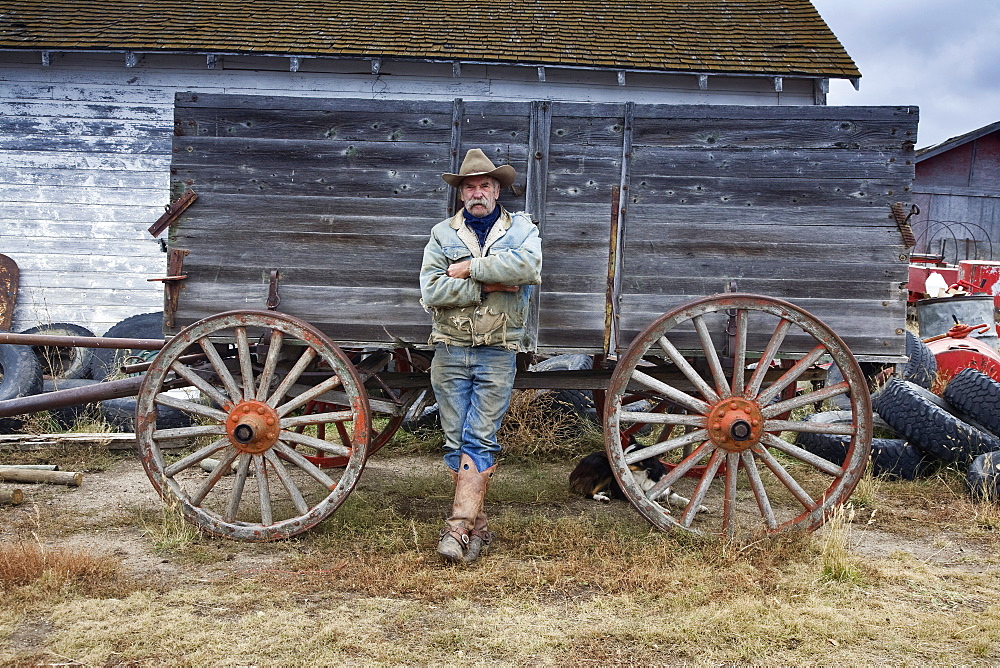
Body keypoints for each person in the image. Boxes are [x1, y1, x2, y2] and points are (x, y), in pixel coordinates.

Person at [419, 148, 542, 564]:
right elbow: (432, 291)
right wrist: (490, 283)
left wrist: (469, 268)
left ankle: (456, 528)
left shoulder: (519, 229)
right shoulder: (442, 234)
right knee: (455, 439)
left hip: (497, 351)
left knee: (481, 437)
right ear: (461, 194)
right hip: (450, 349)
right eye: (469, 186)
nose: (477, 193)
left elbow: (528, 269)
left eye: (484, 185)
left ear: (497, 190)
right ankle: (478, 526)